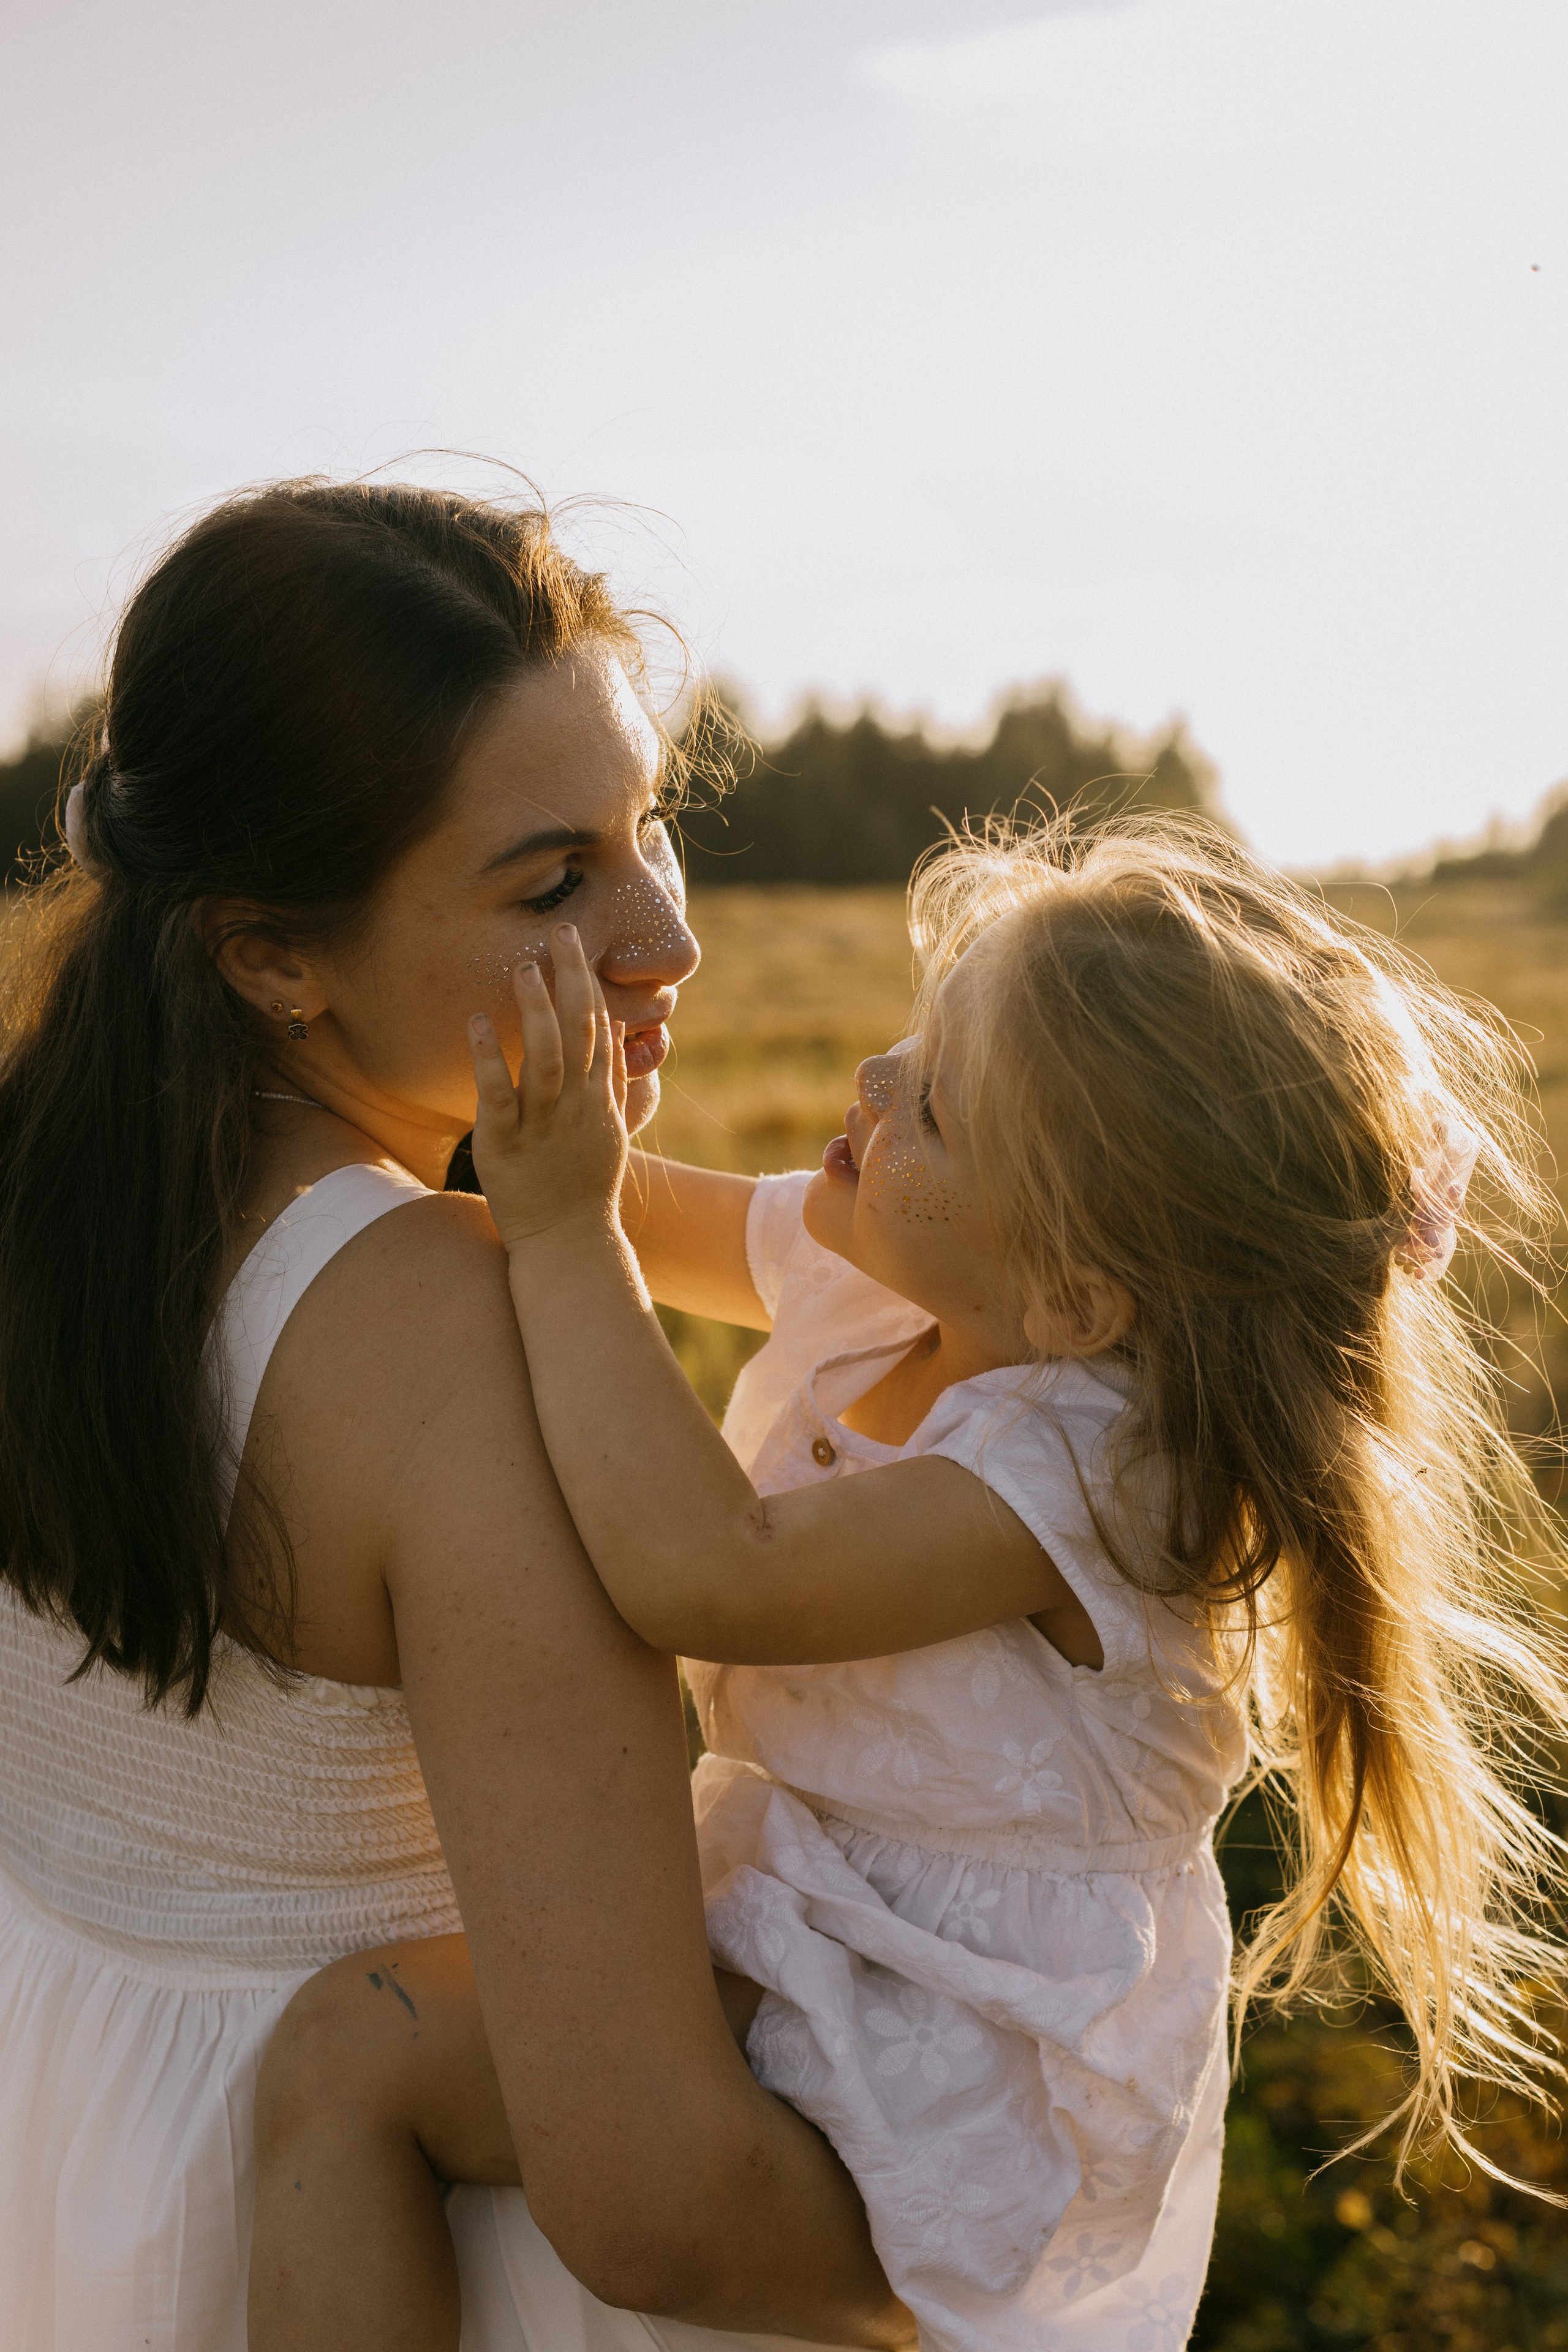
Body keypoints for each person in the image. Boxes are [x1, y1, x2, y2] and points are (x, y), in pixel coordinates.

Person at [252, 816, 1568, 2352]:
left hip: (952, 2038)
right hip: (811, 1924)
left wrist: (553, 1226)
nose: (871, 1084)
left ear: (1076, 1292)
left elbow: (707, 1573)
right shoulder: (890, 1256)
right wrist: (431, 1128)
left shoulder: (1095, 1468)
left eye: (933, 1105)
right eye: (910, 1041)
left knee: (357, 2058)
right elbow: (619, 1209)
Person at [0, 476, 916, 2352]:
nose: (665, 940)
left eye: (649, 829)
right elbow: (657, 2194)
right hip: (381, 2254)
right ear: (271, 951)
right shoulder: (458, 1335)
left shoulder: (48, 1181)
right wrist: (1069, 2229)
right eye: (552, 880)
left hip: (71, 2154)